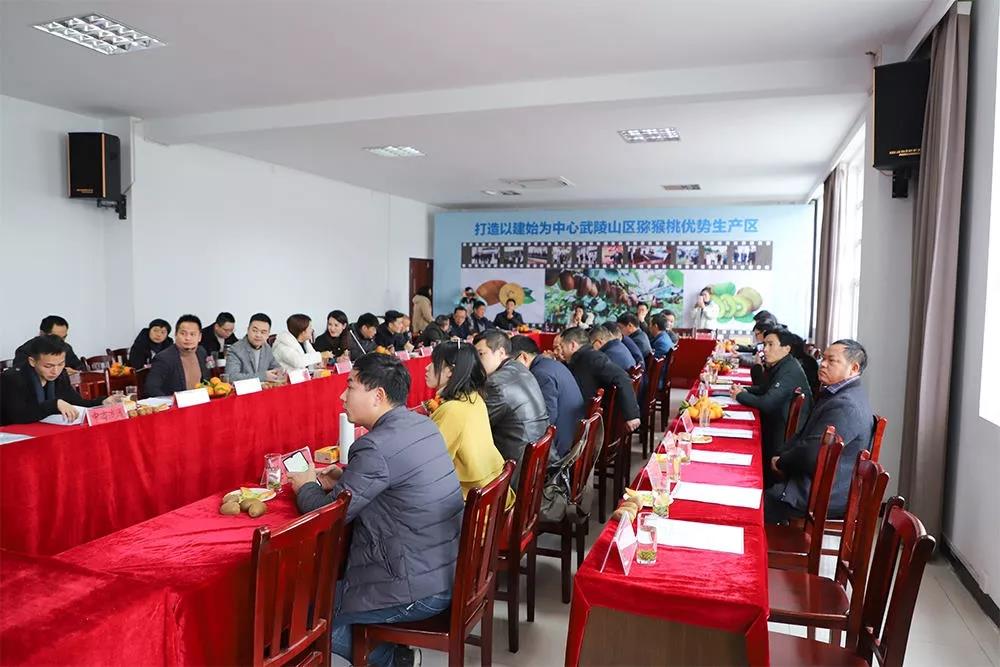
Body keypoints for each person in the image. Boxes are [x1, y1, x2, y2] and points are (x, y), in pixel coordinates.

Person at [287, 354, 464, 667]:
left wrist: (305, 485)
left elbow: (327, 516)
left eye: (350, 387)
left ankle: (393, 658)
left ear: (378, 396)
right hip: (445, 569)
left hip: (415, 586)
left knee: (303, 616)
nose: (342, 396)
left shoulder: (374, 447)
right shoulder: (422, 424)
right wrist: (346, 479)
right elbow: (392, 484)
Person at [765, 339, 874, 524]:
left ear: (854, 368)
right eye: (823, 358)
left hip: (824, 490)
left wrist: (781, 462)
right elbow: (803, 436)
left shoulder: (845, 405)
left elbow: (812, 455)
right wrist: (780, 456)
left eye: (832, 361)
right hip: (816, 478)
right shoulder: (836, 394)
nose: (823, 364)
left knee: (757, 504)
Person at [425, 341, 512, 505]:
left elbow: (429, 463)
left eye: (433, 363)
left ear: (450, 371)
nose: (427, 368)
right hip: (494, 493)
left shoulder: (452, 410)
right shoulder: (474, 397)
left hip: (475, 503)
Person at [473, 329, 549, 478]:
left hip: (517, 468)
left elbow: (476, 426)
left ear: (501, 352)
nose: (476, 362)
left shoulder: (496, 383)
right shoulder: (520, 368)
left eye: (481, 354)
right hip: (537, 460)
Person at [1, 335, 124, 425]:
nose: (55, 371)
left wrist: (102, 402)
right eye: (48, 366)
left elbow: (77, 403)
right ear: (32, 361)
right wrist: (54, 404)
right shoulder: (13, 378)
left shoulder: (61, 375)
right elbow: (19, 416)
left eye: (60, 364)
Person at [731, 328, 813, 462]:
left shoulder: (789, 370)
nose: (765, 349)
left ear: (786, 349)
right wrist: (745, 390)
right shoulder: (782, 364)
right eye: (764, 345)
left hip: (781, 435)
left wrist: (739, 396)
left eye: (770, 345)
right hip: (776, 422)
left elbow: (766, 404)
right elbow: (765, 388)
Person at [510, 335, 585, 459]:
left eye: (511, 363)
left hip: (562, 449)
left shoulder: (540, 374)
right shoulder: (551, 365)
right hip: (573, 437)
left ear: (523, 357)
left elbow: (546, 419)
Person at [560, 327, 640, 433]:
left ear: (572, 345)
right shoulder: (581, 358)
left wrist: (632, 415)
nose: (560, 352)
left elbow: (622, 377)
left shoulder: (593, 358)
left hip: (584, 421)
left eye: (562, 347)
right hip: (582, 415)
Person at [144, 315, 211, 396]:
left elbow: (206, 381)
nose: (188, 338)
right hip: (174, 402)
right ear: (176, 335)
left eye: (192, 334)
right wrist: (172, 401)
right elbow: (151, 388)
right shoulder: (164, 358)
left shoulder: (201, 352)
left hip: (200, 400)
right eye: (183, 333)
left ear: (199, 337)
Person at [225, 313, 284, 383]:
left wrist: (279, 372)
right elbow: (231, 377)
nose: (258, 335)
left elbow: (276, 367)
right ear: (248, 330)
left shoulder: (267, 348)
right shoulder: (235, 349)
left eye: (263, 332)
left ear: (268, 334)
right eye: (255, 331)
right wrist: (263, 377)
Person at [13, 315, 84, 372]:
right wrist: (62, 373)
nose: (60, 341)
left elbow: (80, 367)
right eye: (56, 338)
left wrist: (76, 372)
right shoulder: (24, 350)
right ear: (42, 334)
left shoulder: (66, 348)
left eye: (64, 337)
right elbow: (20, 375)